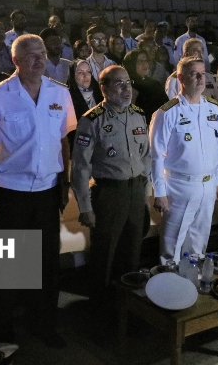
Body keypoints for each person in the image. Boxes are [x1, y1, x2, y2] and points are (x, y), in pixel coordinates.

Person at [0, 34, 76, 348]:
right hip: (10, 192)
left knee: (46, 264)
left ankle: (44, 325)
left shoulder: (59, 93)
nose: (39, 60)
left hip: (47, 191)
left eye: (42, 54)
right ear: (15, 61)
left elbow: (63, 141)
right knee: (6, 266)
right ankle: (0, 333)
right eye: (31, 55)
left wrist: (64, 183)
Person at [70, 65, 150, 313]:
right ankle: (100, 307)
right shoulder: (92, 120)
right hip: (109, 193)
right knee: (105, 253)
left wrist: (145, 191)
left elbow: (146, 156)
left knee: (132, 251)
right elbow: (80, 167)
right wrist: (85, 207)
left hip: (135, 191)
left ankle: (126, 305)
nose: (126, 89)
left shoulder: (138, 115)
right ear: (103, 88)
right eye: (119, 84)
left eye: (128, 83)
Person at [150, 57, 218, 264]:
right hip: (179, 186)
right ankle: (170, 279)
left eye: (203, 73)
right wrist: (160, 192)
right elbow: (156, 155)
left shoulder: (212, 108)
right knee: (172, 244)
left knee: (199, 241)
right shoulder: (167, 112)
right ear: (181, 79)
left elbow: (217, 148)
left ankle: (193, 277)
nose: (201, 78)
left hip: (207, 184)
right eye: (194, 74)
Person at [165, 37, 218, 103]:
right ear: (186, 54)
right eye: (196, 51)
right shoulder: (175, 80)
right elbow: (172, 103)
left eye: (202, 51)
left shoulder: (209, 77)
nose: (201, 55)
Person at [122, 49, 169, 123]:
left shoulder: (155, 84)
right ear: (131, 64)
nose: (144, 64)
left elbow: (166, 105)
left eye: (146, 61)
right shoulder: (126, 86)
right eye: (140, 61)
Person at [66, 60, 104, 150]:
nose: (85, 75)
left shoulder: (99, 93)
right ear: (73, 76)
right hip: (79, 146)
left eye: (88, 71)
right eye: (80, 72)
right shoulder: (67, 97)